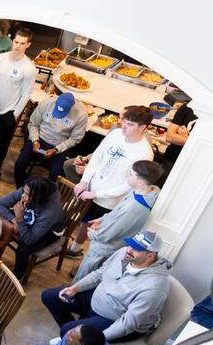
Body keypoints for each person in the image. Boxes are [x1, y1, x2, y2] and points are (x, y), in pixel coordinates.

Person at [42, 230, 172, 341]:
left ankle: (74, 340)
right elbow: (101, 273)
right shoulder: (124, 253)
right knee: (49, 296)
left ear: (150, 255)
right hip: (99, 300)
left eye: (136, 249)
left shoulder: (154, 287)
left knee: (68, 331)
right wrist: (75, 288)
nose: (129, 250)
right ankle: (71, 339)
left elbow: (128, 324)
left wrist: (98, 338)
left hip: (115, 319)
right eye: (130, 244)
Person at [66, 105, 155, 249]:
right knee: (83, 220)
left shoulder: (144, 153)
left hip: (109, 199)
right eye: (124, 122)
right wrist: (84, 181)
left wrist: (97, 193)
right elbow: (97, 157)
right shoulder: (115, 134)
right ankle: (73, 246)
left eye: (130, 125)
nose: (124, 127)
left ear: (143, 127)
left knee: (94, 228)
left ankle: (77, 250)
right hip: (91, 186)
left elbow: (129, 185)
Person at [73, 160, 163, 279]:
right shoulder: (139, 191)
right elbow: (116, 213)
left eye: (131, 174)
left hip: (104, 249)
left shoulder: (135, 207)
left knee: (86, 276)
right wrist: (102, 219)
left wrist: (92, 234)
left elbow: (110, 233)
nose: (127, 175)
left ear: (140, 182)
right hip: (103, 242)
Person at [0, 27, 36, 185]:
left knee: (3, 144)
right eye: (16, 42)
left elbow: (26, 94)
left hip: (8, 113)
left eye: (22, 43)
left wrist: (15, 114)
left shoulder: (29, 68)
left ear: (28, 45)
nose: (17, 46)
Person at [0, 169, 65, 279]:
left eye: (27, 194)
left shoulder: (51, 211)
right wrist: (15, 220)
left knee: (23, 250)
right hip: (28, 216)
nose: (22, 196)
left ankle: (17, 278)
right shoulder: (30, 188)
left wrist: (20, 219)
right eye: (23, 192)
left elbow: (29, 239)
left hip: (50, 231)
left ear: (38, 197)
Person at [13, 92, 89, 185]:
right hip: (40, 139)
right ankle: (22, 191)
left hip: (61, 145)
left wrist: (56, 149)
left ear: (71, 108)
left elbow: (75, 138)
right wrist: (35, 140)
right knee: (19, 164)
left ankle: (46, 196)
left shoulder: (81, 114)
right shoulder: (46, 103)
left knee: (56, 174)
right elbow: (33, 124)